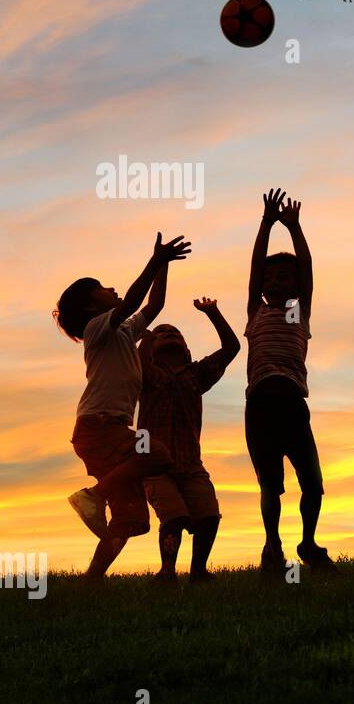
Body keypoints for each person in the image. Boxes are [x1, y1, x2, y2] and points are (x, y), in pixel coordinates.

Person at [55, 233, 191, 577]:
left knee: (132, 520)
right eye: (102, 288)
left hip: (108, 430)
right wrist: (155, 261)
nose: (111, 288)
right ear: (90, 306)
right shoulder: (96, 328)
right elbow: (131, 301)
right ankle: (93, 495)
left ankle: (92, 582)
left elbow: (153, 306)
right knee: (158, 455)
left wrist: (164, 266)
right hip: (99, 427)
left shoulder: (123, 333)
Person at [245, 189, 334, 574]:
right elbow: (252, 269)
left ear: (297, 287)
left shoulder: (299, 312)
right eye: (271, 275)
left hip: (293, 405)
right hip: (260, 406)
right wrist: (266, 223)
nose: (276, 279)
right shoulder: (255, 312)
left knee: (312, 484)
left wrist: (295, 228)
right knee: (270, 485)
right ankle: (272, 545)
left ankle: (308, 542)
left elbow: (308, 268)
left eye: (286, 275)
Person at [137, 297, 240, 582]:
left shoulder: (196, 373)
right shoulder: (145, 373)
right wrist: (144, 336)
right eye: (161, 333)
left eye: (175, 333)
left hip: (191, 465)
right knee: (173, 516)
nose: (168, 333)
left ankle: (198, 570)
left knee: (208, 515)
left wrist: (213, 312)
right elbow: (136, 359)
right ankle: (167, 570)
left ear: (187, 349)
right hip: (154, 466)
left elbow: (231, 348)